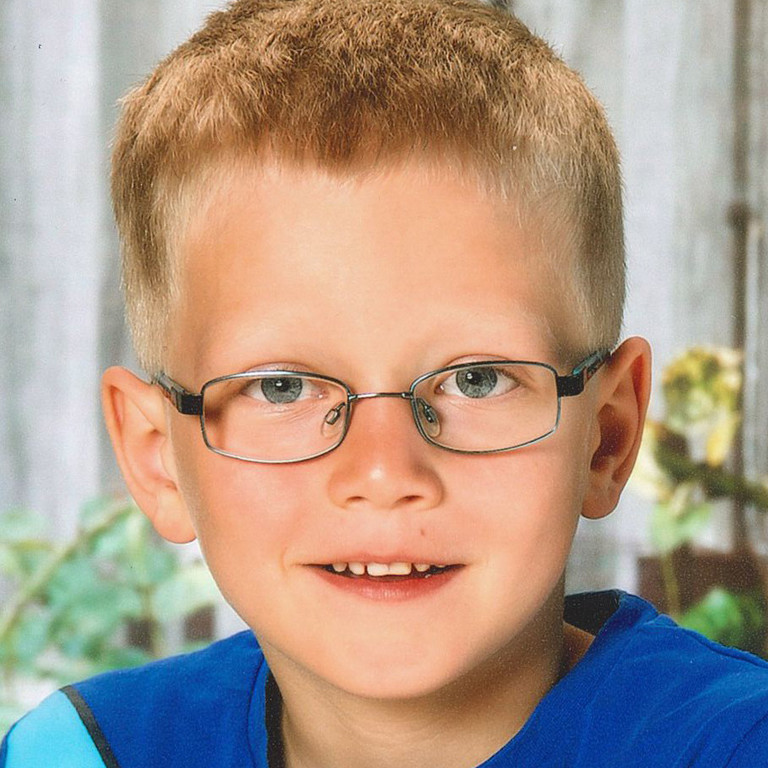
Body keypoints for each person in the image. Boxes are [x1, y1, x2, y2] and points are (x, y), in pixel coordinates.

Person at [3, 0, 768, 765]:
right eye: (282, 388)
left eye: (475, 379)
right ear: (157, 458)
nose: (383, 474)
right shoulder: (80, 753)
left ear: (607, 435)